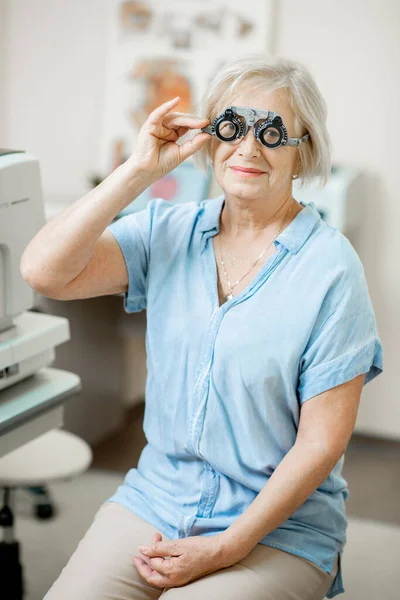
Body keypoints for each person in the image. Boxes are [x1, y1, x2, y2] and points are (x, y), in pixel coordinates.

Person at [21, 55, 383, 600]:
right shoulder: (168, 232)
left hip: (276, 528)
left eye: (273, 132)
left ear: (302, 149)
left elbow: (321, 443)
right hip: (158, 498)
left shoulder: (331, 269)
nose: (249, 148)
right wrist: (140, 171)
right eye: (233, 125)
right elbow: (43, 271)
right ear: (211, 135)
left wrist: (227, 547)